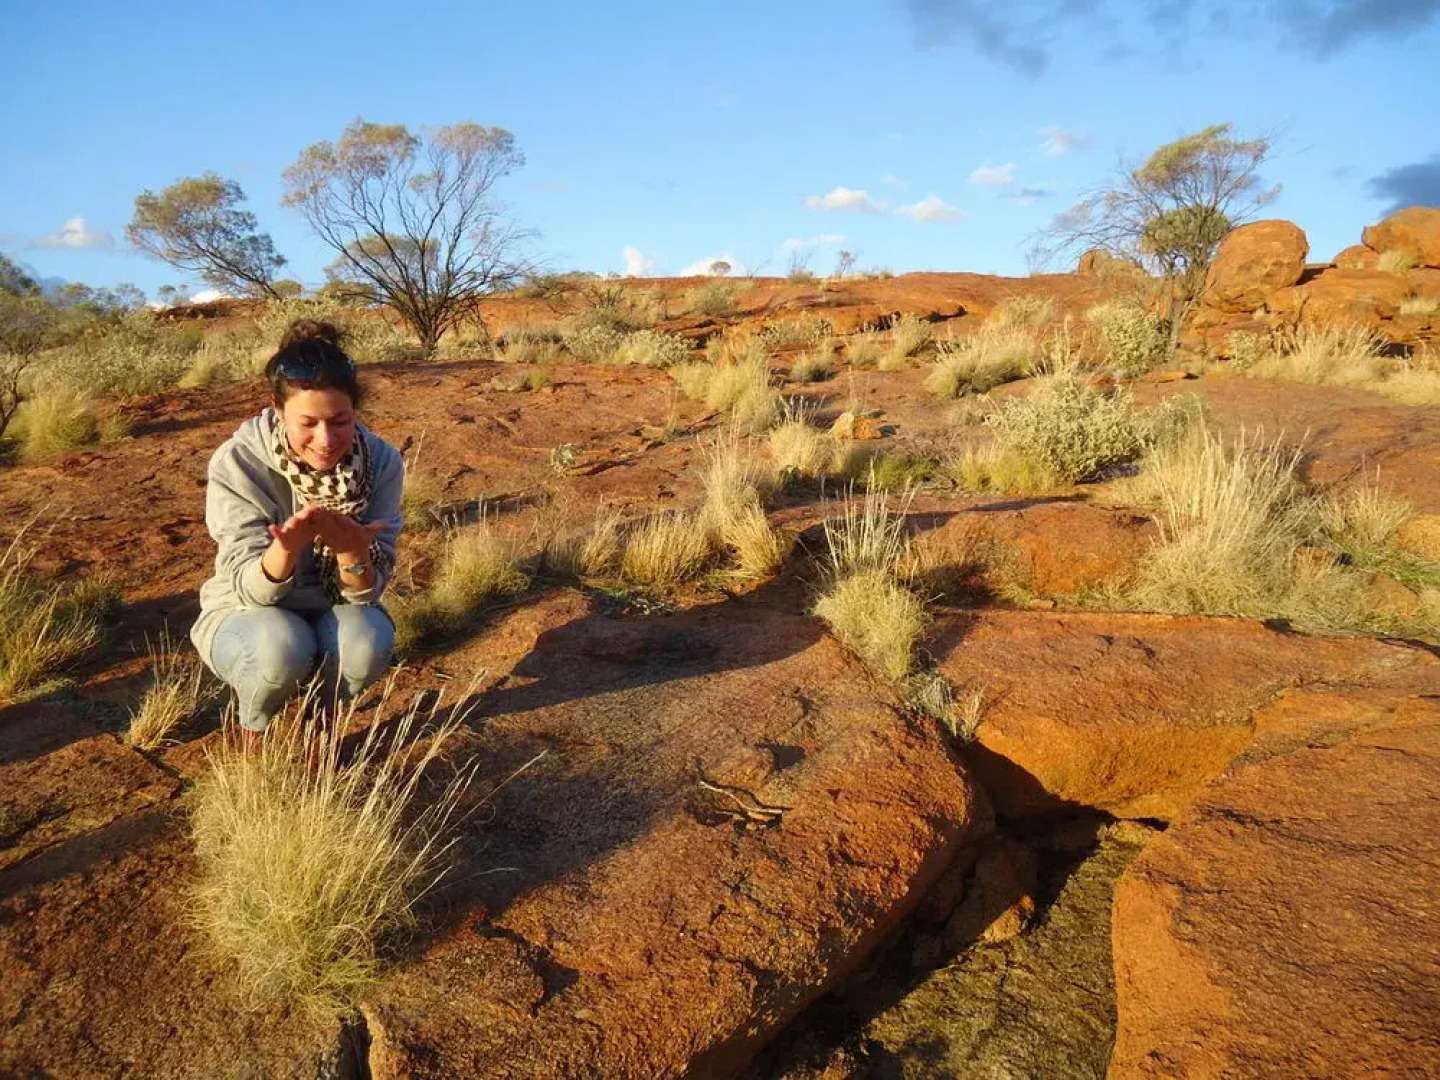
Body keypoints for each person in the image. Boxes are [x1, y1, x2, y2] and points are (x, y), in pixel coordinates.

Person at [191, 319, 404, 751]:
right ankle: (253, 729)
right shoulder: (238, 462)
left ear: (355, 411)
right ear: (276, 408)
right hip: (246, 610)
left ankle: (320, 729)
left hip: (334, 606)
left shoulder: (380, 461)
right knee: (281, 648)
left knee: (365, 641)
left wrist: (352, 553)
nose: (326, 440)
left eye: (340, 421)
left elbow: (367, 594)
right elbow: (248, 591)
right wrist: (284, 552)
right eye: (307, 423)